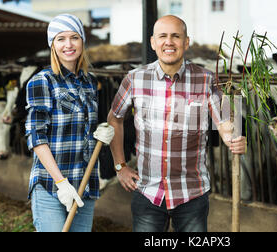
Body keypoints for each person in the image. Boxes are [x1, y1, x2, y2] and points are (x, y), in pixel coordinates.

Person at [107, 15, 247, 232]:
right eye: (162, 36)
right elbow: (114, 119)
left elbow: (225, 122)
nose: (169, 42)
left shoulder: (207, 79)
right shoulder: (134, 79)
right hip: (148, 193)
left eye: (176, 36)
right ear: (153, 42)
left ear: (186, 42)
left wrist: (233, 139)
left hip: (191, 194)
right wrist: (120, 166)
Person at [25, 14, 112, 232]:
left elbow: (84, 130)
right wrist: (61, 183)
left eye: (74, 37)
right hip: (51, 186)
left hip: (84, 185)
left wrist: (100, 133)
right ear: (52, 45)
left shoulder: (90, 82)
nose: (69, 44)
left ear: (82, 41)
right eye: (61, 39)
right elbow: (36, 136)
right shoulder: (42, 81)